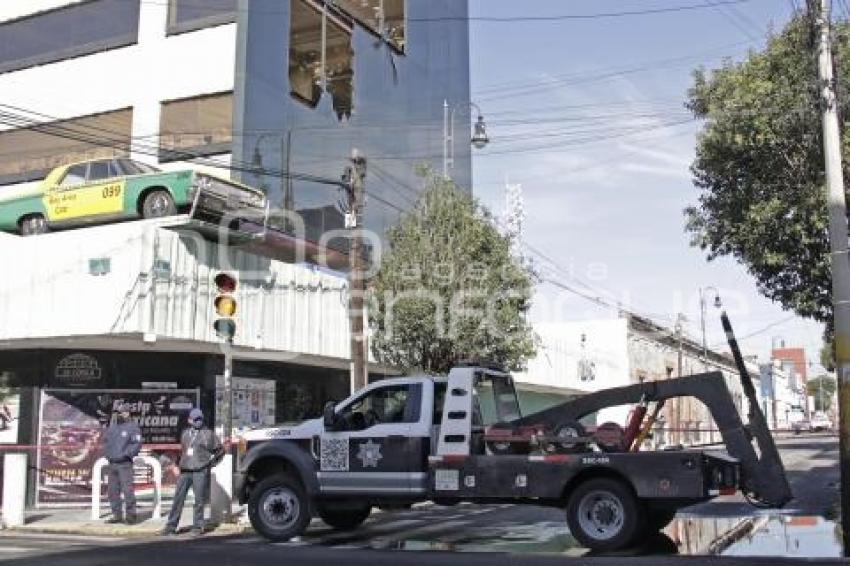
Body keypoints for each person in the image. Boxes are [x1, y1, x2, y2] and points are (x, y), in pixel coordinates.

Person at [159, 408, 223, 536]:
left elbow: (220, 451)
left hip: (200, 470)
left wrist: (209, 464)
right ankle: (171, 526)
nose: (198, 422)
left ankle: (198, 527)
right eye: (195, 419)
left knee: (199, 500)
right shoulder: (185, 434)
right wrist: (177, 465)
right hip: (185, 470)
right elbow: (183, 451)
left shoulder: (208, 434)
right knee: (178, 499)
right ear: (190, 420)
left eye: (200, 419)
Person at [103, 402, 142, 524]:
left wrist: (127, 454)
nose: (118, 415)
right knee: (112, 491)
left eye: (120, 412)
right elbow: (106, 441)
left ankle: (131, 516)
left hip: (125, 464)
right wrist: (108, 454)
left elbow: (137, 444)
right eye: (116, 413)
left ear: (127, 413)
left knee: (127, 491)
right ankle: (117, 515)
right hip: (112, 463)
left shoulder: (133, 427)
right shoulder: (112, 427)